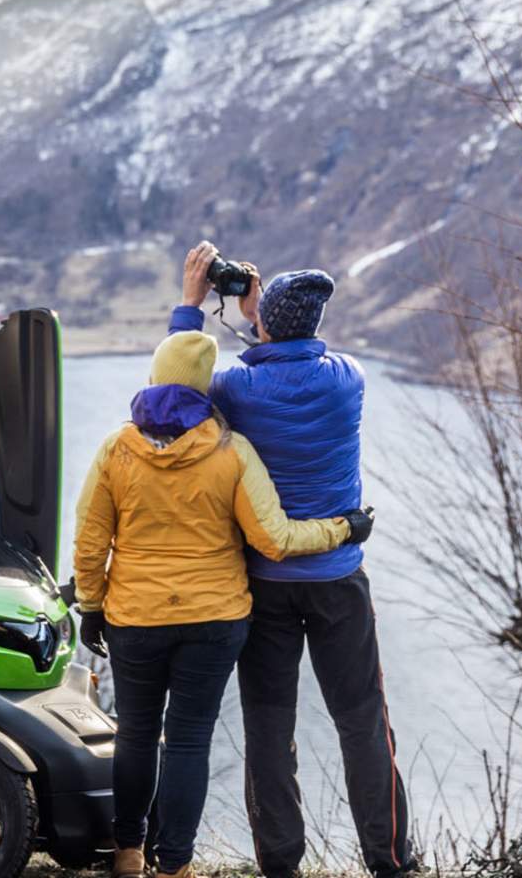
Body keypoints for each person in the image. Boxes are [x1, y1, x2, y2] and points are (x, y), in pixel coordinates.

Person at [72, 330, 372, 878]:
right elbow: (275, 539)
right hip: (214, 619)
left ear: (156, 376)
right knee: (189, 738)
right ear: (206, 387)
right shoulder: (231, 451)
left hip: (135, 617)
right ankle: (176, 865)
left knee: (136, 732)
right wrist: (343, 529)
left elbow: (91, 539)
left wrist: (91, 603)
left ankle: (128, 850)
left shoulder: (118, 448)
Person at [169, 240, 416, 878]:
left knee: (269, 729)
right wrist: (266, 318)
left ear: (268, 322)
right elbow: (299, 350)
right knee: (363, 722)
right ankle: (389, 861)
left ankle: (280, 864)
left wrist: (195, 308)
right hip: (338, 578)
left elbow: (171, 399)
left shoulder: (237, 389)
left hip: (266, 583)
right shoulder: (348, 378)